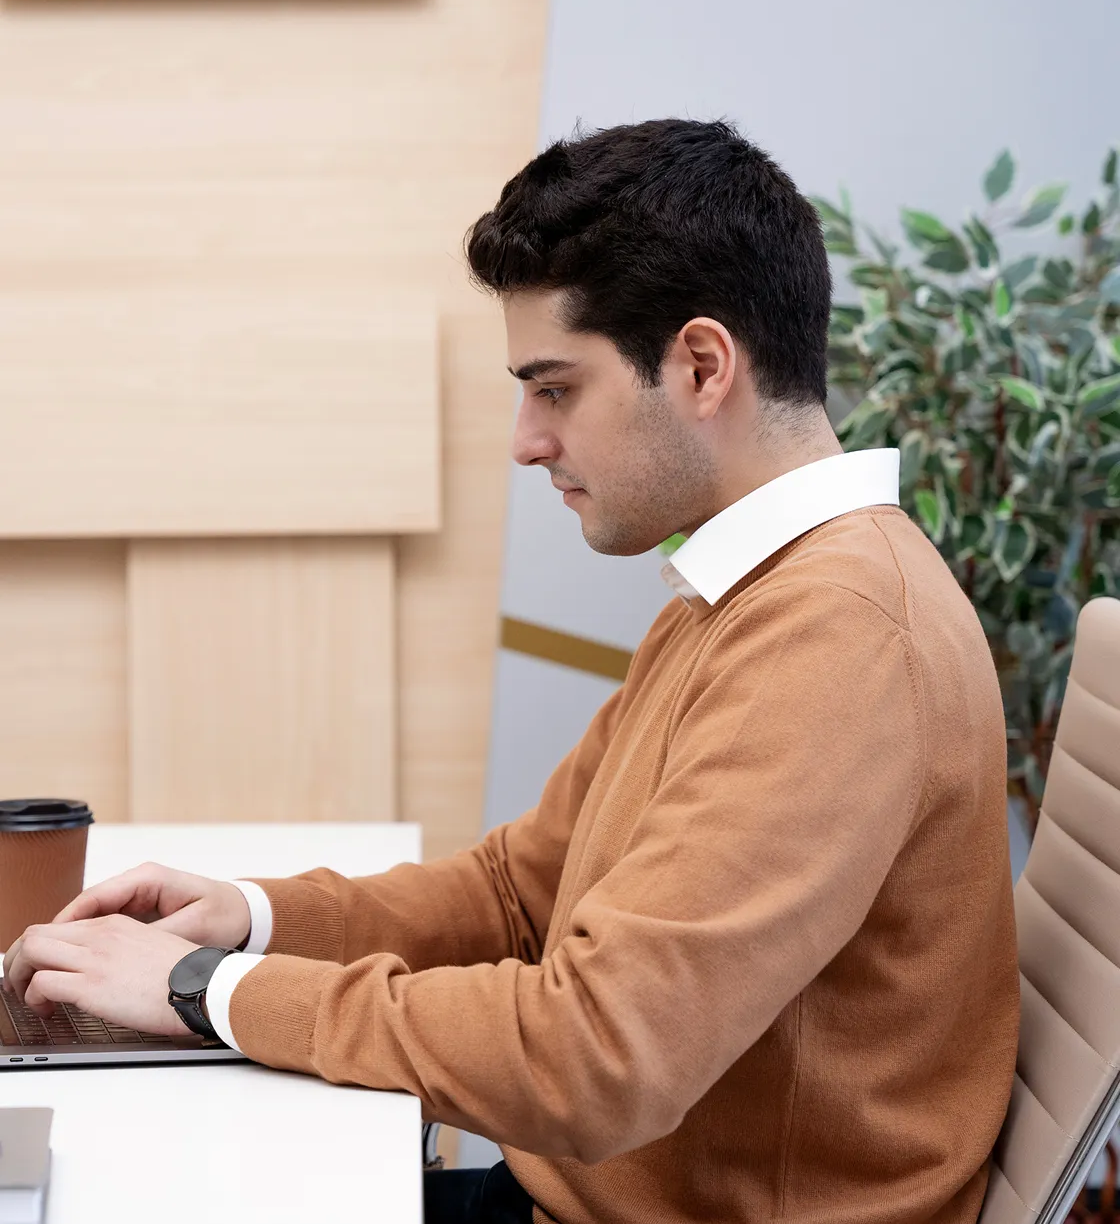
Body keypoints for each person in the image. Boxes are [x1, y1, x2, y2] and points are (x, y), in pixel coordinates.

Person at [3, 119, 1019, 1224]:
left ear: (700, 365)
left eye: (555, 388)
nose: (525, 441)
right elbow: (520, 892)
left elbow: (600, 1056)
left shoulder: (840, 638)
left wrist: (203, 995)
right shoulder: (752, 588)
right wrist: (246, 921)